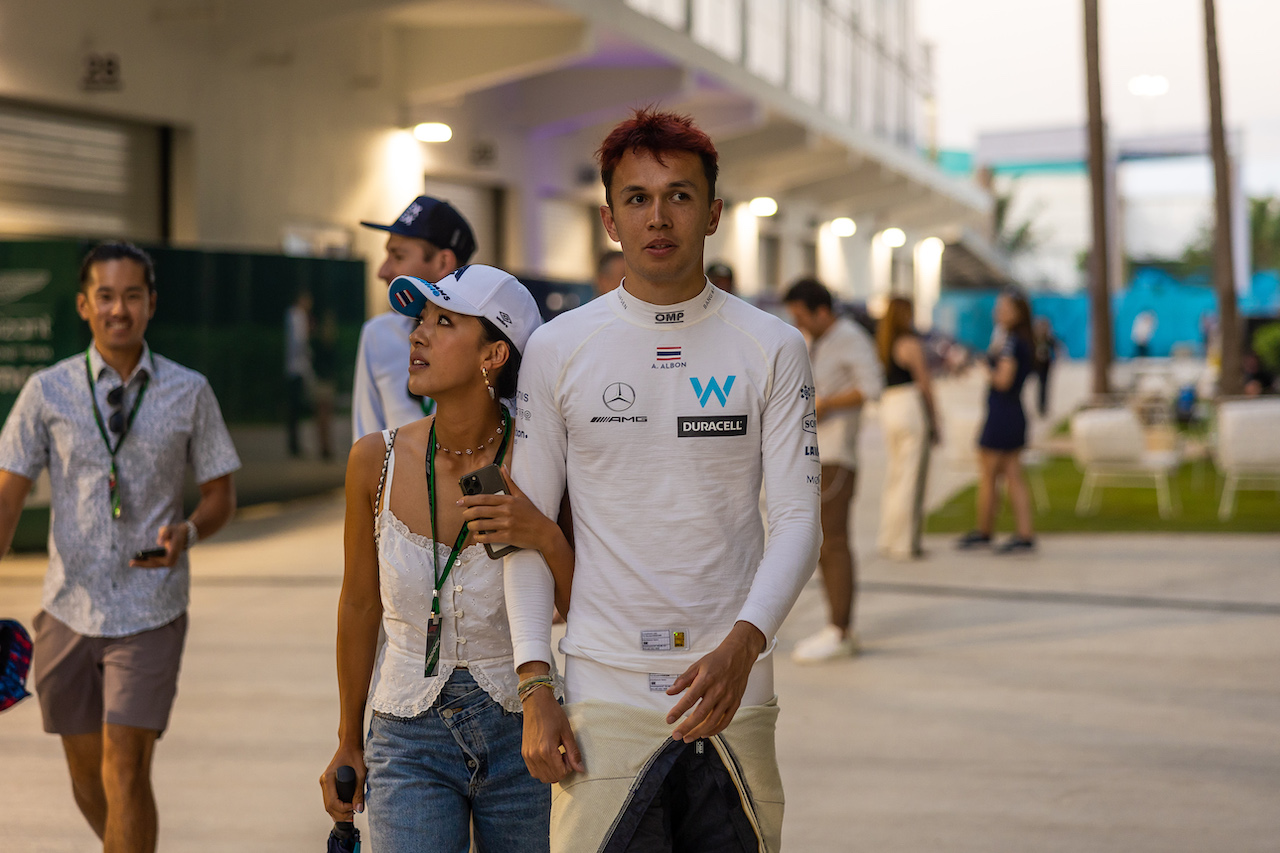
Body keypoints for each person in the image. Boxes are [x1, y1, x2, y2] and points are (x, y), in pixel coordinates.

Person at [505, 108, 821, 852]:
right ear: (611, 219)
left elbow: (800, 519)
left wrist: (745, 646)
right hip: (602, 691)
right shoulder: (558, 348)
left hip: (734, 692)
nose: (659, 216)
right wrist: (534, 685)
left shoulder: (772, 346)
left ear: (713, 212)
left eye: (679, 195)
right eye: (638, 198)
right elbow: (518, 531)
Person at [320, 264, 572, 852]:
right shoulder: (373, 462)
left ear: (494, 355)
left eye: (444, 321)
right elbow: (359, 604)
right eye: (419, 320)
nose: (417, 335)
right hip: (406, 735)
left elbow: (580, 607)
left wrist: (543, 533)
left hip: (525, 728)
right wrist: (347, 739)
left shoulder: (544, 463)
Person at [0, 241, 240, 853]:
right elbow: (7, 495)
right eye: (105, 296)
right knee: (88, 778)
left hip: (150, 608)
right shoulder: (45, 392)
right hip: (66, 608)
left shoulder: (189, 392)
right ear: (84, 305)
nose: (119, 309)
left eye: (132, 295)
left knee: (124, 766)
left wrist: (187, 532)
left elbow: (220, 496)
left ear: (151, 304)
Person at [782, 278, 882, 662]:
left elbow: (872, 387)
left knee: (833, 542)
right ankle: (838, 626)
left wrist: (827, 405)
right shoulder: (820, 340)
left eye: (803, 316)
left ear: (822, 311)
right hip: (817, 451)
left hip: (837, 453)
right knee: (823, 542)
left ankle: (840, 630)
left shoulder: (850, 338)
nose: (800, 324)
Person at [352, 196, 477, 439]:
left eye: (398, 257)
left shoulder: (485, 341)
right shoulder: (378, 334)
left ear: (443, 262)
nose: (382, 271)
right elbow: (365, 439)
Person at [957, 290, 1036, 554]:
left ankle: (985, 530)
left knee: (990, 474)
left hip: (1003, 413)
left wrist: (984, 367)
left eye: (1003, 308)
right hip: (1011, 413)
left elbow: (1003, 380)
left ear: (1017, 312)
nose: (997, 312)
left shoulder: (1012, 342)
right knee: (1013, 474)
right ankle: (1023, 533)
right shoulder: (1016, 339)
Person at [875, 297, 940, 561]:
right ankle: (905, 542)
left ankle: (889, 537)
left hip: (889, 406)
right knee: (911, 478)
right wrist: (935, 420)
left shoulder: (881, 344)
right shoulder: (910, 344)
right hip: (909, 405)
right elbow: (925, 383)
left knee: (895, 476)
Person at [284, 289, 314, 457]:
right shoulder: (299, 316)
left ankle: (294, 444)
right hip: (298, 368)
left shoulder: (290, 315)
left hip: (291, 367)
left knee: (293, 409)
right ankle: (295, 446)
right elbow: (300, 342)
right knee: (295, 408)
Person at [1032, 316, 1058, 418]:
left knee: (1044, 386)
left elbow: (1057, 348)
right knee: (1038, 386)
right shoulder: (1035, 338)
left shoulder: (1048, 338)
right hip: (1037, 364)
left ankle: (1043, 407)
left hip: (1045, 364)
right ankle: (1039, 406)